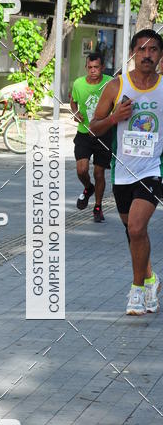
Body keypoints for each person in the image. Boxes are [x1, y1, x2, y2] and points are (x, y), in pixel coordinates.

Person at [90, 29, 163, 314]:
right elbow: (93, 127)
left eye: (154, 49)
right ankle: (152, 280)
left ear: (160, 55)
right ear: (133, 53)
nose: (148, 55)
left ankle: (137, 291)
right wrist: (114, 118)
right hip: (121, 171)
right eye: (142, 49)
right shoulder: (116, 87)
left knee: (136, 227)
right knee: (133, 232)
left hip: (153, 169)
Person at [70, 52, 113, 222]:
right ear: (86, 67)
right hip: (84, 133)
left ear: (102, 67)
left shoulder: (110, 82)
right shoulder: (78, 83)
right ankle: (88, 188)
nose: (93, 70)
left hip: (103, 133)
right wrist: (76, 112)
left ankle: (98, 207)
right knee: (81, 170)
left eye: (96, 67)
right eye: (90, 67)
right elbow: (72, 101)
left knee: (99, 173)